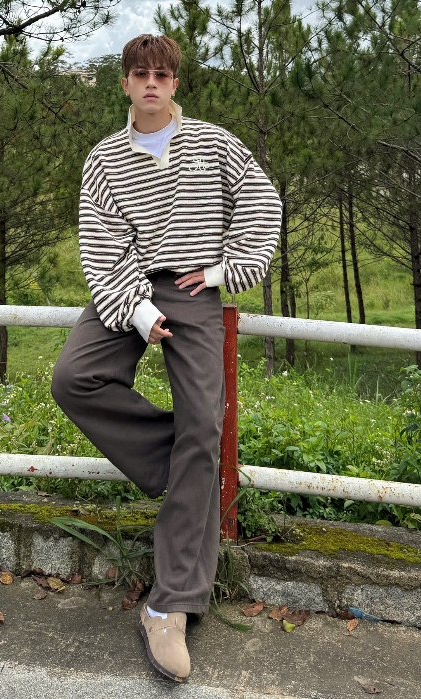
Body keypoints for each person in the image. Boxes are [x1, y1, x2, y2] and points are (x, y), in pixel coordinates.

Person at [51, 34, 281, 682]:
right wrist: (136, 310)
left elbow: (263, 203)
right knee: (74, 378)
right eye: (139, 74)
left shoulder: (213, 144)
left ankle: (170, 605)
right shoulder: (104, 159)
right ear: (125, 83)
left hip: (193, 288)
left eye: (161, 74)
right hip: (127, 286)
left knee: (203, 424)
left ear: (174, 83)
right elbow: (101, 245)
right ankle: (188, 466)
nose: (150, 83)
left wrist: (223, 270)